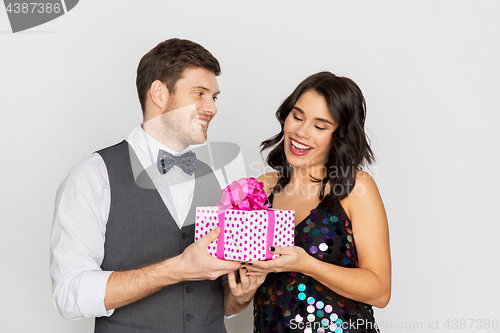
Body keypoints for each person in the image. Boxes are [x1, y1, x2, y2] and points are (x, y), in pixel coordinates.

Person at [50, 38, 259, 333]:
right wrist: (177, 269)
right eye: (199, 93)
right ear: (159, 93)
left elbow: (221, 306)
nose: (211, 108)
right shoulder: (93, 175)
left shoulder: (221, 180)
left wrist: (241, 295)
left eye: (214, 97)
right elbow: (69, 296)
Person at [246, 71, 391, 333]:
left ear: (340, 135)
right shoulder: (262, 187)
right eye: (297, 117)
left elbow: (379, 291)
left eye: (320, 126)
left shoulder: (355, 187)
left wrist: (305, 264)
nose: (301, 132)